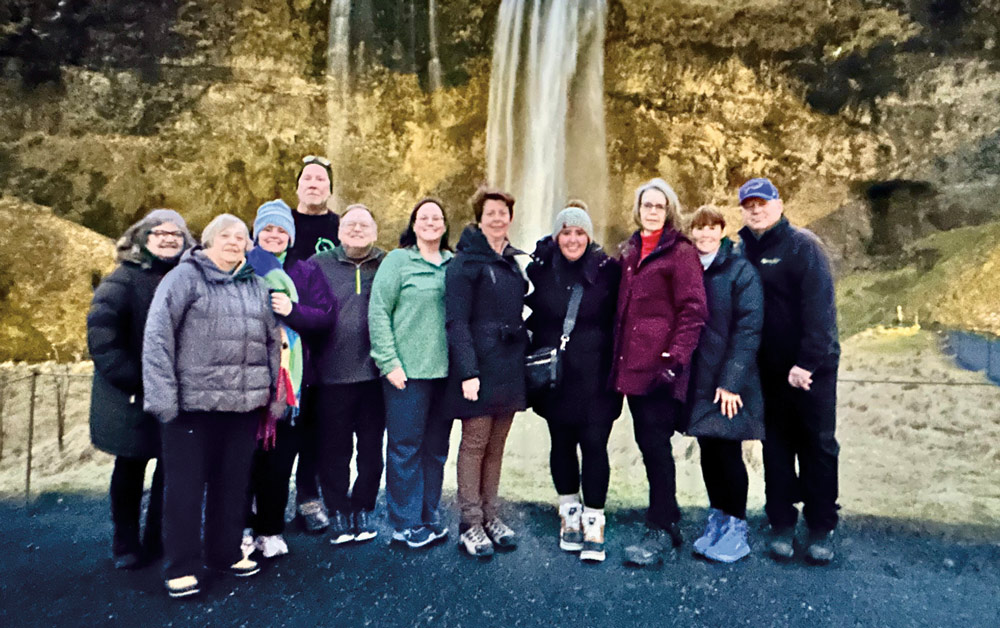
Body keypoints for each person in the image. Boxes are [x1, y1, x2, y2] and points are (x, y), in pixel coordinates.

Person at [143, 214, 281, 599]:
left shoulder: (256, 285)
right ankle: (181, 566)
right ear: (207, 242)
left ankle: (224, 552)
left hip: (242, 406)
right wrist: (162, 398)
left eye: (241, 237)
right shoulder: (184, 279)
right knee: (184, 490)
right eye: (226, 236)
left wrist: (274, 396)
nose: (235, 242)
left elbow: (272, 344)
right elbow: (157, 338)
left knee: (233, 486)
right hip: (191, 406)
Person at [736, 178, 841, 565]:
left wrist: (806, 363)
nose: (756, 210)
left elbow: (821, 312)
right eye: (748, 204)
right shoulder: (741, 249)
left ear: (779, 205)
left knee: (818, 446)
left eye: (762, 203)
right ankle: (781, 522)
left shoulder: (803, 246)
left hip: (812, 370)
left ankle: (821, 527)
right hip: (768, 371)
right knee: (776, 448)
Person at [87, 209, 195, 570]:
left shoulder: (189, 278)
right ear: (142, 238)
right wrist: (138, 379)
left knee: (171, 471)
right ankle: (125, 542)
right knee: (130, 469)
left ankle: (159, 538)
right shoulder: (121, 281)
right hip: (129, 396)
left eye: (176, 235)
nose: (168, 239)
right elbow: (103, 339)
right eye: (160, 233)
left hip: (178, 392)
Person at [613, 178, 708, 567]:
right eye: (646, 205)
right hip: (632, 368)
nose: (652, 211)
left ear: (669, 211)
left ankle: (660, 526)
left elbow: (693, 310)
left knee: (655, 446)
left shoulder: (679, 252)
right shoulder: (631, 250)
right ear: (637, 209)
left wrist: (675, 361)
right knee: (649, 444)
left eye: (659, 205)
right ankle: (667, 518)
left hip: (660, 369)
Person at [525, 202, 622, 563]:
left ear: (589, 236)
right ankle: (568, 510)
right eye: (565, 232)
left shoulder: (607, 270)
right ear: (556, 236)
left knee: (595, 445)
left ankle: (594, 517)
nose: (572, 238)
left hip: (598, 375)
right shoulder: (541, 269)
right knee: (561, 442)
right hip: (557, 376)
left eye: (579, 232)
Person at [244, 200, 337, 558]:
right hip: (247, 378)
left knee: (278, 461)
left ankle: (270, 528)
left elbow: (326, 315)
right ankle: (242, 527)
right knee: (244, 460)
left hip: (291, 382)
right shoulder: (241, 266)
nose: (274, 236)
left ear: (290, 237)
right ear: (257, 233)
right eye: (268, 229)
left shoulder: (304, 271)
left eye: (282, 230)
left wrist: (292, 312)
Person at [445, 186, 528, 558]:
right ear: (479, 218)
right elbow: (456, 321)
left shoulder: (511, 260)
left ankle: (492, 516)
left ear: (511, 217)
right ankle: (470, 523)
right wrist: (467, 371)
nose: (498, 218)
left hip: (509, 365)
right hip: (478, 365)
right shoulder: (465, 263)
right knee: (475, 445)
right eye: (490, 212)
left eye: (503, 212)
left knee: (496, 448)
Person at [369, 198, 455, 549]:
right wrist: (388, 362)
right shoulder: (398, 261)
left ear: (446, 225)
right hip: (407, 373)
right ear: (414, 224)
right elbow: (378, 312)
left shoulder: (454, 264)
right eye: (424, 217)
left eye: (437, 217)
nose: (431, 222)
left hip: (445, 374)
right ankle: (405, 523)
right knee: (405, 448)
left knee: (436, 449)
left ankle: (428, 515)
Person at [683, 206, 764, 564]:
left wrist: (731, 382)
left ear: (721, 230)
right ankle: (717, 520)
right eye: (698, 230)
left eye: (710, 229)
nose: (704, 236)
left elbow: (749, 329)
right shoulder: (689, 269)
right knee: (709, 451)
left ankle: (737, 529)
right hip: (698, 379)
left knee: (728, 451)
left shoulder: (739, 270)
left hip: (729, 382)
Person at [311, 205, 387, 544]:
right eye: (350, 224)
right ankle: (338, 509)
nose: (357, 229)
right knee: (334, 449)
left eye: (364, 224)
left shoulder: (387, 263)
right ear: (339, 231)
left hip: (374, 375)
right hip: (332, 376)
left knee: (372, 449)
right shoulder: (318, 266)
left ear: (375, 231)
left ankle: (364, 507)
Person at [288, 155, 341, 532]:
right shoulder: (278, 224)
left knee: (315, 424)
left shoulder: (341, 227)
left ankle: (308, 497)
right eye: (307, 178)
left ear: (329, 188)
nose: (313, 183)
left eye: (321, 179)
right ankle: (264, 495)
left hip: (325, 338)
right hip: (281, 340)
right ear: (297, 186)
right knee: (276, 419)